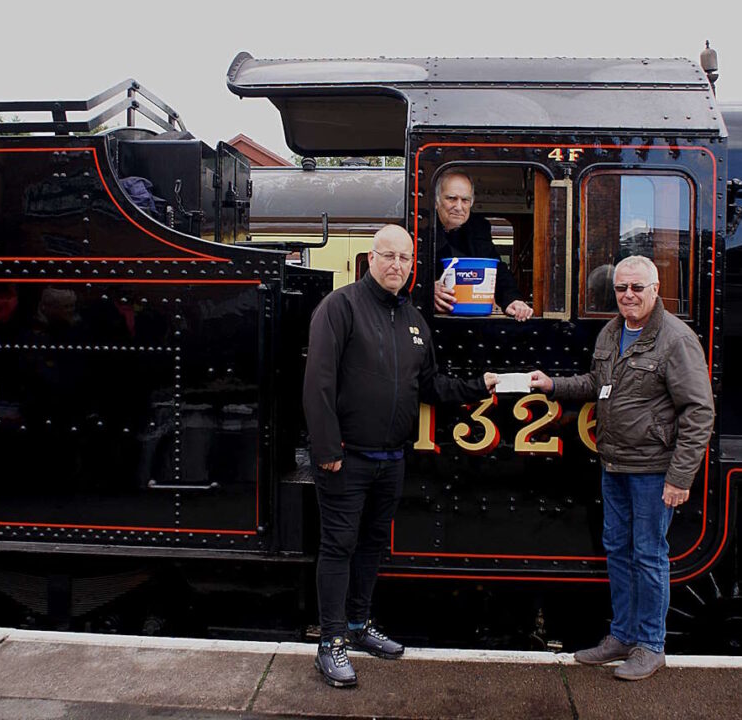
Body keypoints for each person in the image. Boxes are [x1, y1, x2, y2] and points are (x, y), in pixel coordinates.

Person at [303, 224, 498, 688]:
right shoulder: (341, 307)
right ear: (370, 259)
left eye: (405, 259)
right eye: (388, 256)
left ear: (413, 265)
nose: (397, 266)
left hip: (391, 458)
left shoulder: (412, 318)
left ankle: (357, 626)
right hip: (346, 458)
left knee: (371, 545)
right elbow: (318, 382)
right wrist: (328, 449)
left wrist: (478, 385)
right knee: (338, 547)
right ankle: (329, 643)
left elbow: (430, 384)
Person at [530, 255, 714, 681]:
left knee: (649, 555)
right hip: (614, 464)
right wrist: (553, 385)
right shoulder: (613, 332)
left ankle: (651, 645)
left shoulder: (675, 339)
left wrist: (680, 477)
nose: (628, 295)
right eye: (620, 289)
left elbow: (699, 412)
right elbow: (598, 385)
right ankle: (623, 636)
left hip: (654, 470)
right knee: (618, 550)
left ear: (655, 289)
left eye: (636, 288)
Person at [432, 170, 534, 321]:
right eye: (451, 199)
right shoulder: (418, 226)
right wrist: (428, 289)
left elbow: (496, 269)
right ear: (436, 201)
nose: (459, 207)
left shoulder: (478, 228)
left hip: (470, 318)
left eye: (465, 200)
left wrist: (512, 300)